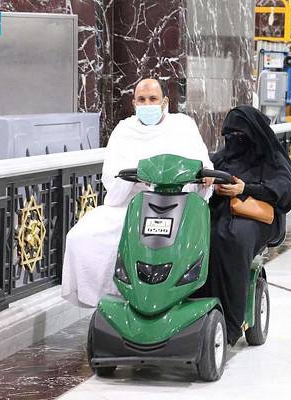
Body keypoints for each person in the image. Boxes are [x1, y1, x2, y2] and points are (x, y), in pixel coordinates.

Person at [61, 78, 214, 307]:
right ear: (133, 103)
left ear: (165, 102)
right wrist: (136, 178)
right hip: (130, 203)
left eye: (153, 99)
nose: (147, 104)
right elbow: (112, 175)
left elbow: (202, 163)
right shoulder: (124, 130)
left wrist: (205, 177)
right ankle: (112, 299)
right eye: (141, 100)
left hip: (176, 204)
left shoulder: (183, 126)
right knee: (80, 238)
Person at [198, 105, 291, 346]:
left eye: (239, 137)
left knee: (233, 238)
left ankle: (231, 322)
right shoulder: (223, 157)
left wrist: (246, 188)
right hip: (222, 213)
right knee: (201, 236)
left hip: (256, 218)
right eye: (229, 136)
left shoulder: (272, 158)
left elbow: (284, 190)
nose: (234, 141)